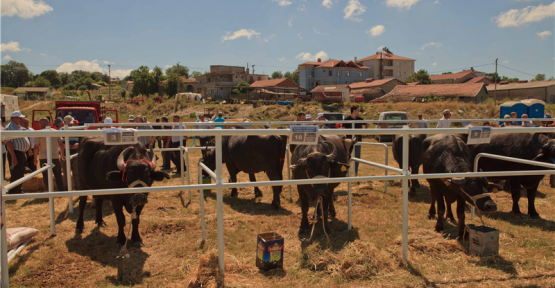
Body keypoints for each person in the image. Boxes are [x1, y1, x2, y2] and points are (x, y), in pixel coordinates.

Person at [33, 118, 65, 192]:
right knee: (58, 174)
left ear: (43, 124)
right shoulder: (55, 132)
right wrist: (62, 155)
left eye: (39, 123)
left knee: (46, 175)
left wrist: (35, 159)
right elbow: (61, 144)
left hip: (43, 157)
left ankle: (50, 190)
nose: (38, 125)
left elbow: (36, 147)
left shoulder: (39, 133)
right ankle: (61, 190)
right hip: (55, 156)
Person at [4, 111, 31, 194]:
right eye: (19, 118)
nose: (21, 119)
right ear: (14, 118)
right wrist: (13, 156)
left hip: (20, 153)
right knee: (16, 173)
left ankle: (18, 190)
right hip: (15, 153)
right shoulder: (10, 127)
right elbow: (9, 143)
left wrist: (23, 153)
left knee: (21, 172)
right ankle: (13, 192)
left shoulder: (18, 127)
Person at [344, 105, 369, 176]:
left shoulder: (359, 119)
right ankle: (347, 171)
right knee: (348, 156)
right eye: (358, 110)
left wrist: (364, 132)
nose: (359, 111)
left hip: (358, 140)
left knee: (357, 156)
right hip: (348, 141)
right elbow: (342, 127)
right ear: (354, 110)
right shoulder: (347, 119)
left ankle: (355, 172)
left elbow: (367, 123)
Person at [59, 115, 79, 191]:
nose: (69, 125)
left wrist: (78, 144)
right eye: (68, 124)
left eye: (70, 124)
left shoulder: (77, 130)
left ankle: (78, 188)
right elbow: (57, 141)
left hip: (75, 152)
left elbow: (82, 140)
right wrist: (62, 145)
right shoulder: (60, 131)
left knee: (76, 172)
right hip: (64, 152)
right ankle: (67, 189)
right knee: (66, 172)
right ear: (64, 123)